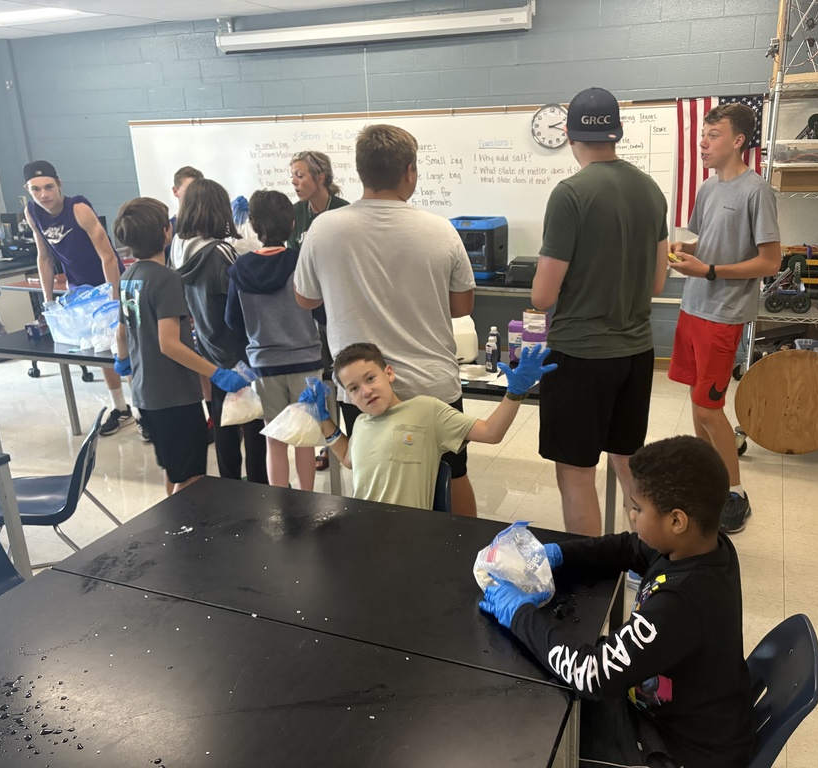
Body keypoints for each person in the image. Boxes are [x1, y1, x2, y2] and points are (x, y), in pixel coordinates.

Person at [478, 435, 754, 768]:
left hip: (681, 749)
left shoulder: (680, 602)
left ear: (676, 521)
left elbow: (591, 673)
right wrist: (558, 556)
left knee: (535, 731)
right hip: (687, 709)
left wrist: (519, 614)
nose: (631, 514)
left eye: (637, 508)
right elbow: (628, 547)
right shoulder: (705, 546)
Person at [294, 125, 478, 515]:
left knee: (374, 483)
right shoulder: (440, 229)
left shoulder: (322, 229)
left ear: (360, 171)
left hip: (362, 389)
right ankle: (464, 559)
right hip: (432, 386)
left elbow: (305, 297)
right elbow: (462, 305)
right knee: (453, 475)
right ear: (410, 170)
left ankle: (383, 563)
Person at [530, 88, 670, 537]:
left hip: (581, 355)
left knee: (575, 474)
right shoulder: (650, 190)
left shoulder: (570, 194)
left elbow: (542, 297)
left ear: (570, 136)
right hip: (637, 351)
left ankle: (591, 578)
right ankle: (644, 556)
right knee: (628, 462)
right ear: (618, 133)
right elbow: (657, 283)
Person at [668, 102, 781, 533]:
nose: (702, 143)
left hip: (723, 313)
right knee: (699, 404)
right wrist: (677, 254)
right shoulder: (706, 189)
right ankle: (706, 479)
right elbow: (696, 244)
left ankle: (735, 492)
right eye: (703, 134)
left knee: (708, 407)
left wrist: (711, 270)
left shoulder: (757, 191)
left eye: (713, 136)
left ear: (738, 141)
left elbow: (769, 262)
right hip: (693, 306)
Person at [300, 342, 554, 511]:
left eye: (370, 378)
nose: (365, 391)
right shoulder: (362, 423)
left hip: (412, 532)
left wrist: (515, 393)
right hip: (366, 527)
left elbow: (491, 432)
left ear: (389, 373)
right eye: (354, 388)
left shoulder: (426, 410)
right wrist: (323, 418)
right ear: (348, 396)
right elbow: (347, 458)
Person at [111, 197, 250, 495]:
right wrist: (216, 373)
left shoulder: (127, 278)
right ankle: (183, 535)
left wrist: (124, 362)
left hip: (145, 394)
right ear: (165, 232)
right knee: (191, 479)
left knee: (173, 469)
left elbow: (121, 334)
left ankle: (173, 526)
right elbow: (169, 345)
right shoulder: (166, 279)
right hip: (174, 396)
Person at [23, 160, 131, 437]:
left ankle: (145, 410)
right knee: (100, 350)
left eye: (48, 187)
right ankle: (121, 408)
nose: (44, 194)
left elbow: (107, 255)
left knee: (123, 347)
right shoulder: (32, 212)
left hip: (108, 282)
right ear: (28, 190)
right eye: (36, 189)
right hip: (79, 289)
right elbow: (44, 257)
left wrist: (113, 297)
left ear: (59, 185)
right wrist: (47, 302)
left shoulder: (78, 209)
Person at [225, 190, 323, 491]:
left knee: (275, 438)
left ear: (252, 225)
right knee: (305, 437)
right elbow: (319, 310)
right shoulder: (300, 262)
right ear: (292, 224)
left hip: (264, 365)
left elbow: (231, 320)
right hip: (306, 361)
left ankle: (280, 503)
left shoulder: (239, 269)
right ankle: (308, 497)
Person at [175, 178, 267, 484]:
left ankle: (229, 483)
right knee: (254, 424)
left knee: (225, 421)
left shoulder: (184, 249)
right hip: (239, 349)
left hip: (210, 347)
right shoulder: (220, 253)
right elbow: (240, 301)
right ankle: (259, 485)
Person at [287, 150, 349, 472]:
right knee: (320, 377)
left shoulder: (344, 212)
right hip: (305, 307)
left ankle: (351, 438)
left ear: (320, 177)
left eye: (301, 175)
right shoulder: (295, 214)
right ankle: (328, 439)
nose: (294, 182)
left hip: (338, 305)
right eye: (293, 176)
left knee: (343, 373)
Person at [167, 165, 203, 268]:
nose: (195, 195)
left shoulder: (211, 226)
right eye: (189, 190)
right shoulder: (167, 229)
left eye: (198, 190)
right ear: (175, 191)